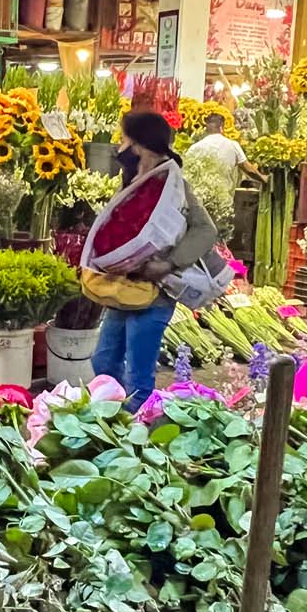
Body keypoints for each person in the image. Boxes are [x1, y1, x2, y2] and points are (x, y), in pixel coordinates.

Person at [92, 110, 217, 409]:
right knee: (104, 359)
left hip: (154, 294)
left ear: (139, 143)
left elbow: (205, 230)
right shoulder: (133, 179)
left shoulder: (174, 185)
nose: (120, 146)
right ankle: (113, 417)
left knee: (139, 375)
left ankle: (138, 435)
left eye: (124, 138)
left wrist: (169, 263)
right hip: (122, 289)